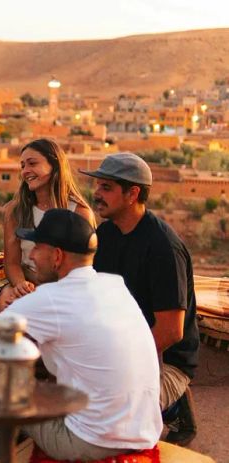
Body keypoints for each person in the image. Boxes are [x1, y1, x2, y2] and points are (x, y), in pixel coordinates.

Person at [0, 209, 162, 461]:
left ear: (57, 256)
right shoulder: (114, 285)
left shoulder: (50, 299)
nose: (31, 256)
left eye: (38, 247)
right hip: (141, 430)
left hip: (90, 441)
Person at [81, 152, 200, 446]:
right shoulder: (105, 235)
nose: (96, 194)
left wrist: (119, 364)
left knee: (105, 414)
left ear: (133, 193)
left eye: (106, 187)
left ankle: (174, 404)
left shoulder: (163, 247)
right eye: (98, 186)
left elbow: (171, 331)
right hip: (119, 347)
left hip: (164, 360)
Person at [0, 138, 95, 311]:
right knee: (7, 301)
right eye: (22, 166)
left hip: (65, 288)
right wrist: (21, 285)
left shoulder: (79, 213)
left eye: (32, 163)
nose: (26, 171)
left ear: (55, 165)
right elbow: (11, 262)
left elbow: (83, 266)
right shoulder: (16, 211)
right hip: (27, 283)